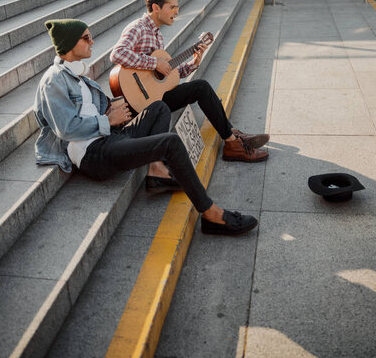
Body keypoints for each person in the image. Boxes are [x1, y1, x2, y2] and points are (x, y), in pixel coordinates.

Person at [33, 19, 258, 236]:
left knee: (159, 107)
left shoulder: (79, 76)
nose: (92, 42)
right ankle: (211, 214)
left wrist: (111, 110)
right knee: (169, 142)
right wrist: (107, 120)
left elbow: (89, 111)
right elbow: (66, 129)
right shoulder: (54, 81)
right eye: (86, 38)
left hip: (110, 137)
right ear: (70, 43)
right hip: (93, 155)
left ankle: (157, 171)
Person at [110, 0, 270, 193]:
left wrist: (194, 62)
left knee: (200, 87)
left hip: (153, 96)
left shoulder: (157, 35)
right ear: (156, 8)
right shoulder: (138, 27)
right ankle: (234, 141)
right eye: (172, 7)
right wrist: (153, 64)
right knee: (200, 87)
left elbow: (165, 76)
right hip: (137, 102)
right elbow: (117, 54)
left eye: (177, 7)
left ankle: (231, 138)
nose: (177, 12)